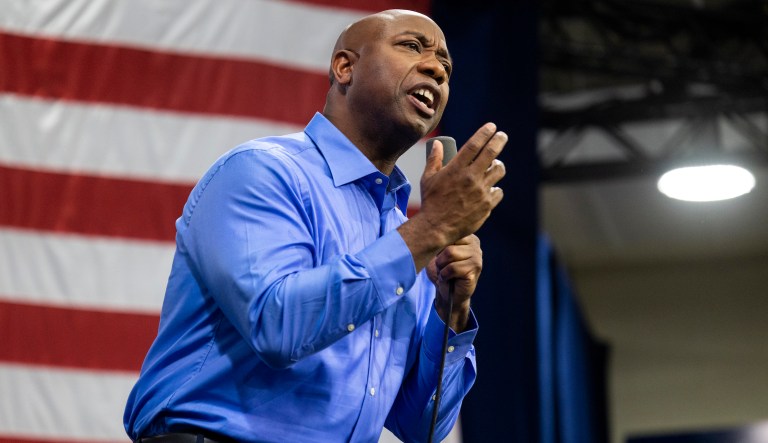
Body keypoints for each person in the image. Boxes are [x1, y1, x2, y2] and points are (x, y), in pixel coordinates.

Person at [124, 9, 507, 443]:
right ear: (345, 67)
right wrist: (431, 228)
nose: (436, 69)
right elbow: (279, 326)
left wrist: (450, 306)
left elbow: (422, 426)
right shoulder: (261, 172)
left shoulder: (406, 236)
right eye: (412, 46)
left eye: (446, 66)